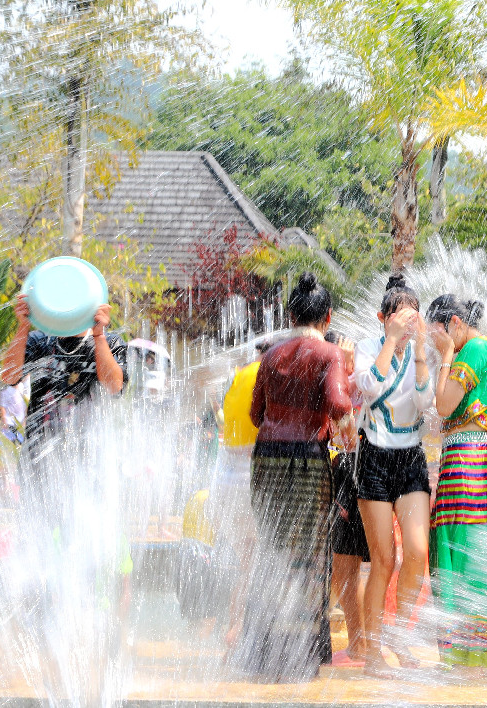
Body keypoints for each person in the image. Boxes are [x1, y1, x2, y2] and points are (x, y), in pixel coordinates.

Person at [234, 272, 353, 683]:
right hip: (305, 464)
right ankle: (300, 653)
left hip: (267, 461)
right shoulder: (328, 354)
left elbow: (255, 415)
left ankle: (263, 650)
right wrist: (348, 418)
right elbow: (338, 402)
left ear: (290, 314)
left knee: (272, 548)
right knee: (307, 556)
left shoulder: (272, 356)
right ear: (328, 316)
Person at [350, 275, 433, 675]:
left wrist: (417, 354)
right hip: (375, 458)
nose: (405, 329)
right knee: (384, 559)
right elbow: (369, 386)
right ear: (382, 318)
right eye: (397, 321)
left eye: (410, 321)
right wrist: (390, 341)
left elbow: (423, 402)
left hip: (411, 458)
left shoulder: (421, 354)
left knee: (417, 552)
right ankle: (372, 652)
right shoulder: (368, 347)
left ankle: (401, 639)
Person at [426, 294, 487, 670]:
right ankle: (471, 656)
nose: (437, 342)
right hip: (477, 461)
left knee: (457, 551)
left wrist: (446, 357)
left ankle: (461, 655)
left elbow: (443, 406)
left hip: (464, 463)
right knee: (472, 552)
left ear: (455, 323)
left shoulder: (472, 351)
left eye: (439, 334)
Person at [0, 293, 126, 515]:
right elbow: (9, 377)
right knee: (36, 543)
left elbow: (114, 386)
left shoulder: (110, 342)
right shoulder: (40, 341)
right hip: (39, 461)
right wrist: (23, 327)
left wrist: (98, 335)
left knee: (82, 541)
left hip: (89, 464)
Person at [212, 339, 272, 651]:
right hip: (249, 477)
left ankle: (234, 627)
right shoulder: (268, 374)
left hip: (225, 479)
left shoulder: (239, 375)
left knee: (247, 561)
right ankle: (241, 631)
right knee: (261, 560)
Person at [323, 331, 370, 669]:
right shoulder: (339, 385)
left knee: (347, 567)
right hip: (343, 476)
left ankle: (360, 644)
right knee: (345, 570)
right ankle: (361, 642)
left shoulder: (354, 384)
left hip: (350, 476)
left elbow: (349, 437)